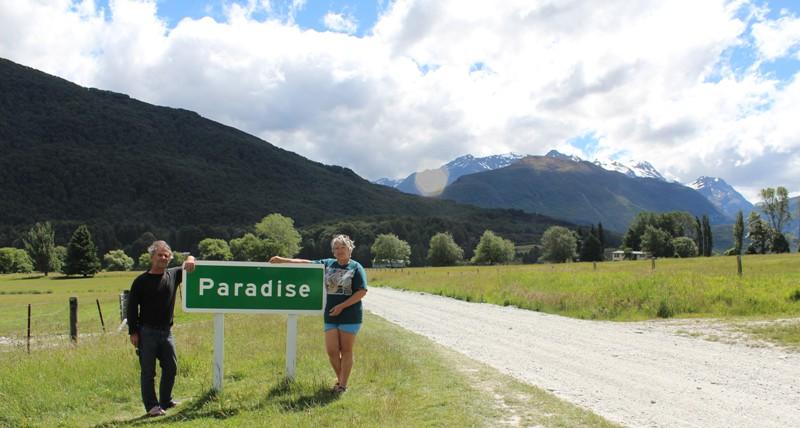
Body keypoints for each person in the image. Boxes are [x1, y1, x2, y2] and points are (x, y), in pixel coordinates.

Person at [269, 234, 367, 393]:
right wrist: (283, 260)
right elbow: (306, 263)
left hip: (350, 315)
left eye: (343, 247)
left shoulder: (356, 267)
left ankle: (342, 385)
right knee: (332, 351)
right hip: (330, 314)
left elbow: (362, 291)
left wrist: (342, 306)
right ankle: (341, 380)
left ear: (350, 249)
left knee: (346, 350)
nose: (340, 251)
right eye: (336, 248)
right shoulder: (328, 264)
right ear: (333, 251)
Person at [127, 240, 195, 417]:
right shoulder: (140, 281)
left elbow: (190, 262)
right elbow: (132, 308)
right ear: (152, 257)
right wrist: (133, 332)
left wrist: (191, 258)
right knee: (148, 371)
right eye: (160, 255)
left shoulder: (173, 275)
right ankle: (152, 406)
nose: (164, 258)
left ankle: (166, 401)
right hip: (146, 332)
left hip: (166, 331)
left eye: (167, 255)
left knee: (171, 367)